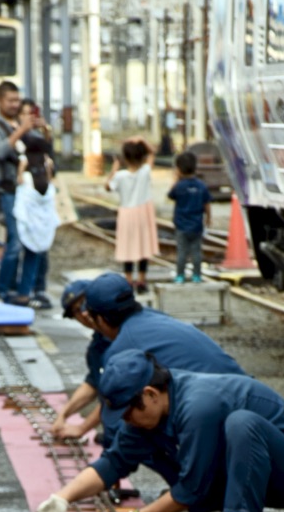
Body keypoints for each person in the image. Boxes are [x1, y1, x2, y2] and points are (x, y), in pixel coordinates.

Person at [34, 351, 284, 512]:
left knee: (241, 425)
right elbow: (113, 462)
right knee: (174, 452)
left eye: (127, 413)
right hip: (269, 469)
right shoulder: (152, 412)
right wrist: (62, 498)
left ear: (149, 394)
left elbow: (191, 488)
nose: (127, 421)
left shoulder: (197, 405)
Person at [73, 272, 248, 445]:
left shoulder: (120, 352)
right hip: (247, 399)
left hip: (228, 424)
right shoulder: (155, 316)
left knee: (142, 432)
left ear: (100, 319)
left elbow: (116, 432)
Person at [0, 80, 38, 301]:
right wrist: (22, 130)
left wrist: (37, 131)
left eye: (17, 100)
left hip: (32, 191)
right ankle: (3, 291)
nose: (15, 105)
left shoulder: (23, 123)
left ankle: (25, 292)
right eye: (10, 100)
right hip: (10, 190)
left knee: (34, 243)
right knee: (14, 243)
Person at [50, 280, 109, 440]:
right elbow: (93, 384)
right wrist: (63, 414)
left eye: (84, 304)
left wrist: (82, 428)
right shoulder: (98, 345)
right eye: (75, 312)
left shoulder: (125, 335)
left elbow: (123, 394)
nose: (83, 314)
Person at [105, 137, 159, 293]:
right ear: (141, 156)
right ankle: (142, 281)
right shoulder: (145, 171)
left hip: (127, 214)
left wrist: (114, 169)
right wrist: (142, 140)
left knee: (127, 247)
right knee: (143, 247)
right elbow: (152, 152)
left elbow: (107, 187)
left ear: (125, 158)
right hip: (143, 213)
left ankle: (128, 281)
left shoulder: (120, 176)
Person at [11, 151, 59, 305]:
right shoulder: (47, 185)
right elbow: (51, 183)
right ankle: (38, 291)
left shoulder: (26, 179)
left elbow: (19, 182)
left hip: (29, 229)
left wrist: (21, 167)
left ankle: (24, 293)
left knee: (28, 260)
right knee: (39, 259)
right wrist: (49, 168)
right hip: (43, 231)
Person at [168, 151, 212, 283]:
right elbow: (207, 204)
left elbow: (170, 195)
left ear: (179, 169)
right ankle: (196, 276)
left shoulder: (179, 186)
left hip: (181, 225)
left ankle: (180, 276)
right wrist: (208, 218)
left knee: (182, 252)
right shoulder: (201, 185)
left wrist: (176, 179)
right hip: (197, 225)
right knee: (196, 252)